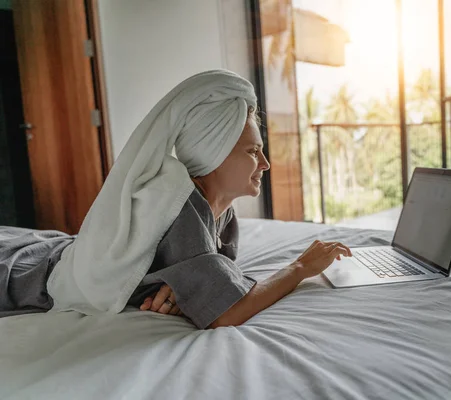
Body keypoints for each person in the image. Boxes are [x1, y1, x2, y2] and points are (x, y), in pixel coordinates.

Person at [0, 70, 352, 329]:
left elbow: (213, 273)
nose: (265, 164)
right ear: (213, 154)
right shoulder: (178, 203)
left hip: (55, 246)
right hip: (30, 271)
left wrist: (181, 288)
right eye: (252, 151)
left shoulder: (220, 209)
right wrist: (300, 268)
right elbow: (226, 313)